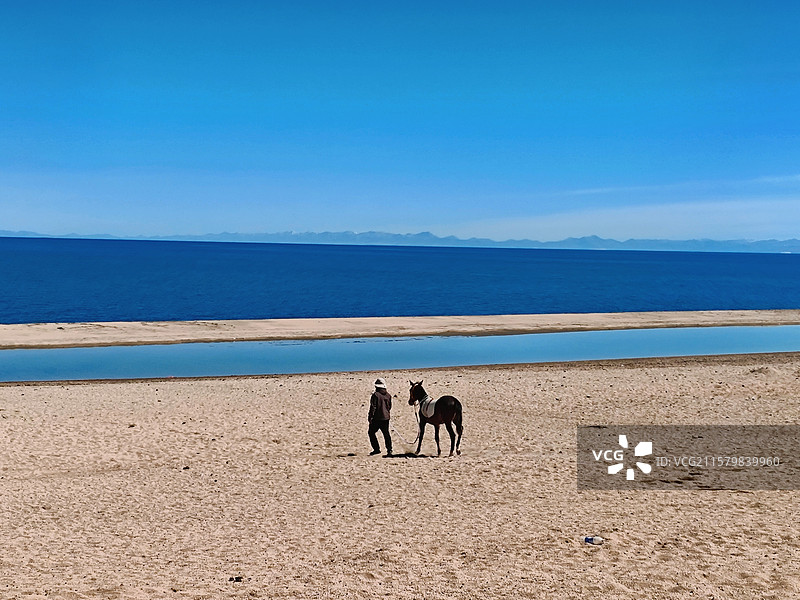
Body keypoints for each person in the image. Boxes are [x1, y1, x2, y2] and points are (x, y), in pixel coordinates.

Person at [368, 378, 393, 456]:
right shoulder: (388, 395)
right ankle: (389, 450)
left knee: (371, 432)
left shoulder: (375, 395)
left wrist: (370, 416)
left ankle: (376, 449)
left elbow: (373, 407)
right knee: (386, 434)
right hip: (386, 417)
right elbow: (389, 406)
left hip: (377, 418)